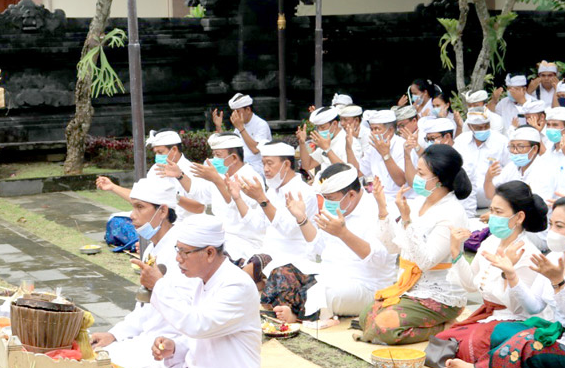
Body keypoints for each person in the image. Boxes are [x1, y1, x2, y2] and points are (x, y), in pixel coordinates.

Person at [469, 196, 565, 368]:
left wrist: (558, 283)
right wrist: (511, 275)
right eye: (552, 224)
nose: (552, 232)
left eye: (560, 226)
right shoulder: (553, 257)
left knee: (529, 348)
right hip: (559, 338)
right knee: (502, 332)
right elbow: (534, 306)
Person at [359, 144, 471, 345]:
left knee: (383, 328)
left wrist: (407, 220)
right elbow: (394, 247)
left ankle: (446, 326)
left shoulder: (452, 212)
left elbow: (426, 261)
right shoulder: (419, 202)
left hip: (441, 295)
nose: (415, 177)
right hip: (410, 287)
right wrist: (382, 208)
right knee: (365, 317)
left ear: (438, 179)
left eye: (421, 173)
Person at [438, 181, 547, 368]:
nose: (492, 217)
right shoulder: (491, 241)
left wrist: (508, 272)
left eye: (499, 212)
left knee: (468, 344)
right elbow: (471, 284)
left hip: (513, 321)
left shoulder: (528, 253)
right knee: (443, 341)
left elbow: (517, 306)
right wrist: (455, 252)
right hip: (487, 314)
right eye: (491, 210)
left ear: (519, 217)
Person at [267, 164, 396, 328]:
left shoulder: (378, 210)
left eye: (330, 199)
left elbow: (379, 260)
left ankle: (296, 312)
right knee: (282, 272)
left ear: (350, 194)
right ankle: (299, 310)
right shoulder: (338, 208)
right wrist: (302, 219)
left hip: (367, 287)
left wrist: (343, 233)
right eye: (324, 198)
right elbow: (318, 250)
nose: (326, 203)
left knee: (322, 292)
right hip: (329, 275)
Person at [90, 178, 194, 368]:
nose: (132, 215)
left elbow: (187, 313)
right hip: (147, 338)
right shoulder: (150, 251)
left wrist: (159, 284)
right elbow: (144, 310)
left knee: (99, 367)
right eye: (133, 207)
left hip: (170, 347)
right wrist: (113, 334)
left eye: (140, 208)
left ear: (162, 211)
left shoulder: (182, 253)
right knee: (91, 355)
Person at [149, 214, 262, 368]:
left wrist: (158, 285)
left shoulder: (237, 285)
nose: (178, 258)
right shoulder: (203, 280)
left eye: (184, 252)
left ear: (209, 253)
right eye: (177, 250)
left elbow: (198, 325)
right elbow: (202, 340)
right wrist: (174, 347)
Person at [166, 133, 266, 262]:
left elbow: (239, 207)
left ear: (234, 158)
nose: (213, 159)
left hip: (244, 241)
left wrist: (217, 180)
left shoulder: (250, 178)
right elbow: (198, 193)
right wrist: (180, 175)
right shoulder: (221, 175)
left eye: (218, 155)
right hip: (222, 237)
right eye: (213, 155)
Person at [236, 141, 319, 287]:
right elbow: (258, 226)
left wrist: (262, 199)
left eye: (270, 163)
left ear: (286, 165)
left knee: (241, 279)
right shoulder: (272, 191)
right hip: (268, 254)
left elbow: (288, 228)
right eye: (263, 164)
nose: (265, 169)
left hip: (294, 259)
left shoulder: (304, 191)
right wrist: (237, 197)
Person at [96, 129, 205, 220]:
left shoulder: (193, 170)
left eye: (160, 152)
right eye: (155, 153)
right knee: (116, 221)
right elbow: (140, 197)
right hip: (157, 222)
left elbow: (200, 208)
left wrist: (173, 197)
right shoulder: (156, 169)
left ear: (174, 150)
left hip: (186, 225)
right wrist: (112, 187)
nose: (157, 156)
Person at [454, 109, 510, 212]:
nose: (483, 129)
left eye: (486, 126)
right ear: (470, 127)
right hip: (464, 203)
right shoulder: (460, 142)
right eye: (479, 128)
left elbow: (510, 169)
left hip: (492, 204)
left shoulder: (502, 142)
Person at [347, 110, 408, 205]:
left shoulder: (403, 146)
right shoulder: (373, 148)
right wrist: (349, 148)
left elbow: (401, 181)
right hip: (377, 198)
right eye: (372, 129)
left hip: (400, 200)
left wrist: (385, 155)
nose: (373, 133)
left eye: (377, 129)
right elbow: (357, 173)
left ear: (391, 130)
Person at [212, 93, 272, 175]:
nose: (234, 115)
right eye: (233, 112)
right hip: (239, 165)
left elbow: (255, 150)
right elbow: (230, 143)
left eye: (237, 111)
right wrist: (219, 127)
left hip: (257, 168)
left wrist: (241, 128)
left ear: (248, 110)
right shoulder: (240, 125)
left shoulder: (261, 124)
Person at [298, 106, 347, 174]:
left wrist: (327, 149)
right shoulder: (326, 141)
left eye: (323, 127)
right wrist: (302, 143)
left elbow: (347, 171)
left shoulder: (347, 141)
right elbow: (307, 165)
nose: (320, 131)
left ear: (335, 124)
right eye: (318, 128)